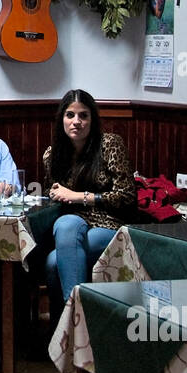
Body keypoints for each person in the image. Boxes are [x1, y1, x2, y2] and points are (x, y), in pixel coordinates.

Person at [42, 89, 136, 302]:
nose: (77, 121)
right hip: (71, 224)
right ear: (62, 119)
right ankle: (75, 318)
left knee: (53, 262)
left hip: (108, 224)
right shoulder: (52, 154)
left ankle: (71, 318)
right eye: (70, 115)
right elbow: (54, 195)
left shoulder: (109, 144)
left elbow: (127, 196)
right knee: (66, 224)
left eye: (83, 115)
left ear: (92, 119)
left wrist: (79, 197)